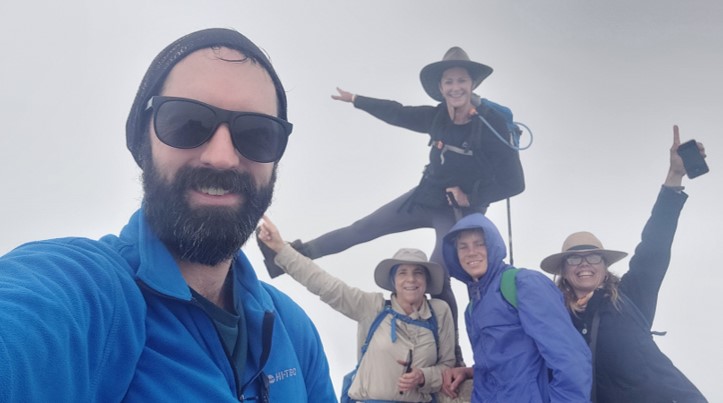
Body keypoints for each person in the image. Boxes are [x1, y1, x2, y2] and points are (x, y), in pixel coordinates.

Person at [0, 28, 336, 402]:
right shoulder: (83, 293)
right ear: (142, 141)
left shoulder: (293, 330)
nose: (222, 157)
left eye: (257, 133)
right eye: (187, 122)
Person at [260, 47, 525, 365]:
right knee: (363, 228)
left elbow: (514, 183)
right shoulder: (437, 116)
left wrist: (472, 196)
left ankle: (452, 356)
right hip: (426, 197)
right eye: (449, 82)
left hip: (459, 210)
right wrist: (357, 99)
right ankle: (285, 258)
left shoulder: (490, 124)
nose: (455, 87)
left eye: (461, 81)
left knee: (438, 272)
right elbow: (398, 112)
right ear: (440, 88)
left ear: (472, 85)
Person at [539, 128, 708, 402]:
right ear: (564, 271)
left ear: (605, 266)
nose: (584, 264)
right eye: (574, 258)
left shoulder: (629, 296)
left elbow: (654, 248)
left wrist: (674, 175)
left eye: (593, 257)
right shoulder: (556, 319)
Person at [257, 216, 456, 402]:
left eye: (418, 273)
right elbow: (325, 284)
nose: (410, 279)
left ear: (426, 280)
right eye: (402, 273)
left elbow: (447, 367)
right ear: (393, 281)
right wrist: (281, 248)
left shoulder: (439, 312)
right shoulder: (372, 307)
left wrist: (423, 376)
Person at [440, 213, 592, 402]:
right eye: (463, 247)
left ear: (493, 246)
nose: (471, 252)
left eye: (480, 244)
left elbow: (571, 359)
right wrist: (469, 371)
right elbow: (494, 368)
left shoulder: (524, 283)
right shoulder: (471, 310)